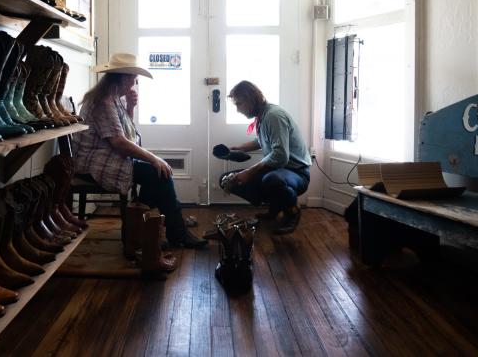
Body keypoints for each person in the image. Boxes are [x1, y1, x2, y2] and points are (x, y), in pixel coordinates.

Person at [71, 53, 207, 248]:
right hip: (95, 164)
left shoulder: (112, 99)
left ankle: (151, 229)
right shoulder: (104, 102)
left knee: (159, 175)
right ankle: (164, 229)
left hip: (107, 158)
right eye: (133, 80)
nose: (133, 85)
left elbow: (126, 135)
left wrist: (131, 108)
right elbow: (119, 142)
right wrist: (154, 158)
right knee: (159, 172)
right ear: (124, 79)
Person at [222, 81, 311, 234]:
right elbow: (261, 140)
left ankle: (292, 212)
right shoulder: (263, 115)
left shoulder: (273, 116)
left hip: (297, 173)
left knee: (271, 179)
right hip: (279, 170)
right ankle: (275, 208)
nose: (237, 110)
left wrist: (249, 172)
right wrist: (240, 147)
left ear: (250, 99)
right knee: (227, 179)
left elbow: (281, 156)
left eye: (239, 104)